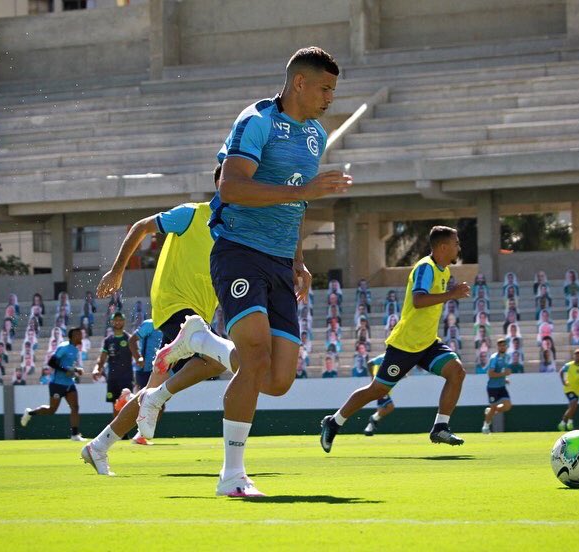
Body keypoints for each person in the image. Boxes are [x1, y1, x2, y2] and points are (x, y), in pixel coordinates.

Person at [145, 47, 351, 497]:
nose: (330, 98)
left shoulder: (316, 135)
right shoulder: (257, 120)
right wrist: (306, 189)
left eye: (333, 90)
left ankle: (203, 343)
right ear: (299, 83)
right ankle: (232, 476)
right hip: (239, 251)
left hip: (279, 260)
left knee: (277, 380)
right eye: (325, 88)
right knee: (255, 356)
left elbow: (296, 204)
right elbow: (232, 187)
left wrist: (298, 259)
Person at [83, 166, 234, 476]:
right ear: (219, 182)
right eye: (231, 177)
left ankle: (98, 447)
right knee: (220, 358)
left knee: (149, 394)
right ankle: (160, 395)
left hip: (196, 317)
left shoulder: (235, 230)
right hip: (176, 307)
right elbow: (141, 226)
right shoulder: (192, 214)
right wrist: (117, 270)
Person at [320, 226, 470, 454]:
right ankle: (334, 421)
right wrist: (451, 294)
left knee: (457, 372)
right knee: (377, 390)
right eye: (456, 243)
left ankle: (440, 427)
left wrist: (450, 293)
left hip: (428, 342)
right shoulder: (425, 268)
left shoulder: (444, 271)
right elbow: (419, 300)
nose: (459, 247)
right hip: (405, 345)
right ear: (443, 247)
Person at [20, 328, 86, 441]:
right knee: (51, 410)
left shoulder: (75, 349)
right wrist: (66, 370)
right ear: (73, 336)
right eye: (79, 334)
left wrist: (76, 369)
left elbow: (67, 365)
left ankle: (75, 435)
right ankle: (30, 413)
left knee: (75, 407)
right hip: (57, 384)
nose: (81, 337)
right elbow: (51, 362)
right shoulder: (64, 347)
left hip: (69, 383)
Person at [92, 312, 134, 417]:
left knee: (127, 405)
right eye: (116, 320)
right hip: (113, 378)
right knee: (116, 406)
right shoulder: (108, 340)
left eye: (120, 320)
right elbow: (102, 358)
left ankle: (126, 427)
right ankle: (117, 428)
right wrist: (97, 369)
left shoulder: (129, 338)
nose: (118, 322)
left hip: (127, 378)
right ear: (112, 322)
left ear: (124, 322)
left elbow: (137, 355)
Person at [482, 338, 513, 434]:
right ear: (498, 347)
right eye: (500, 345)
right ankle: (485, 427)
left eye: (504, 345)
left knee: (507, 406)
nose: (502, 347)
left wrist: (505, 379)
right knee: (493, 407)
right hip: (493, 388)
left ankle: (490, 412)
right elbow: (490, 374)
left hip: (502, 386)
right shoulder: (494, 358)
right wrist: (504, 374)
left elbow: (503, 371)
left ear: (506, 346)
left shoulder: (507, 357)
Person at [362, 353, 395, 436]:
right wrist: (373, 378)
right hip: (380, 387)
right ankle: (373, 418)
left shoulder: (394, 358)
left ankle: (368, 430)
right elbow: (369, 363)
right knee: (390, 406)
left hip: (385, 388)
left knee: (380, 411)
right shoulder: (385, 356)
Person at [558, 349, 579, 431]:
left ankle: (570, 421)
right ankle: (563, 422)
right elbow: (561, 372)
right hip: (569, 388)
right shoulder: (568, 365)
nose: (578, 357)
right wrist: (563, 381)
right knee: (574, 403)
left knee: (573, 406)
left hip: (578, 389)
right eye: (576, 355)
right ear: (574, 356)